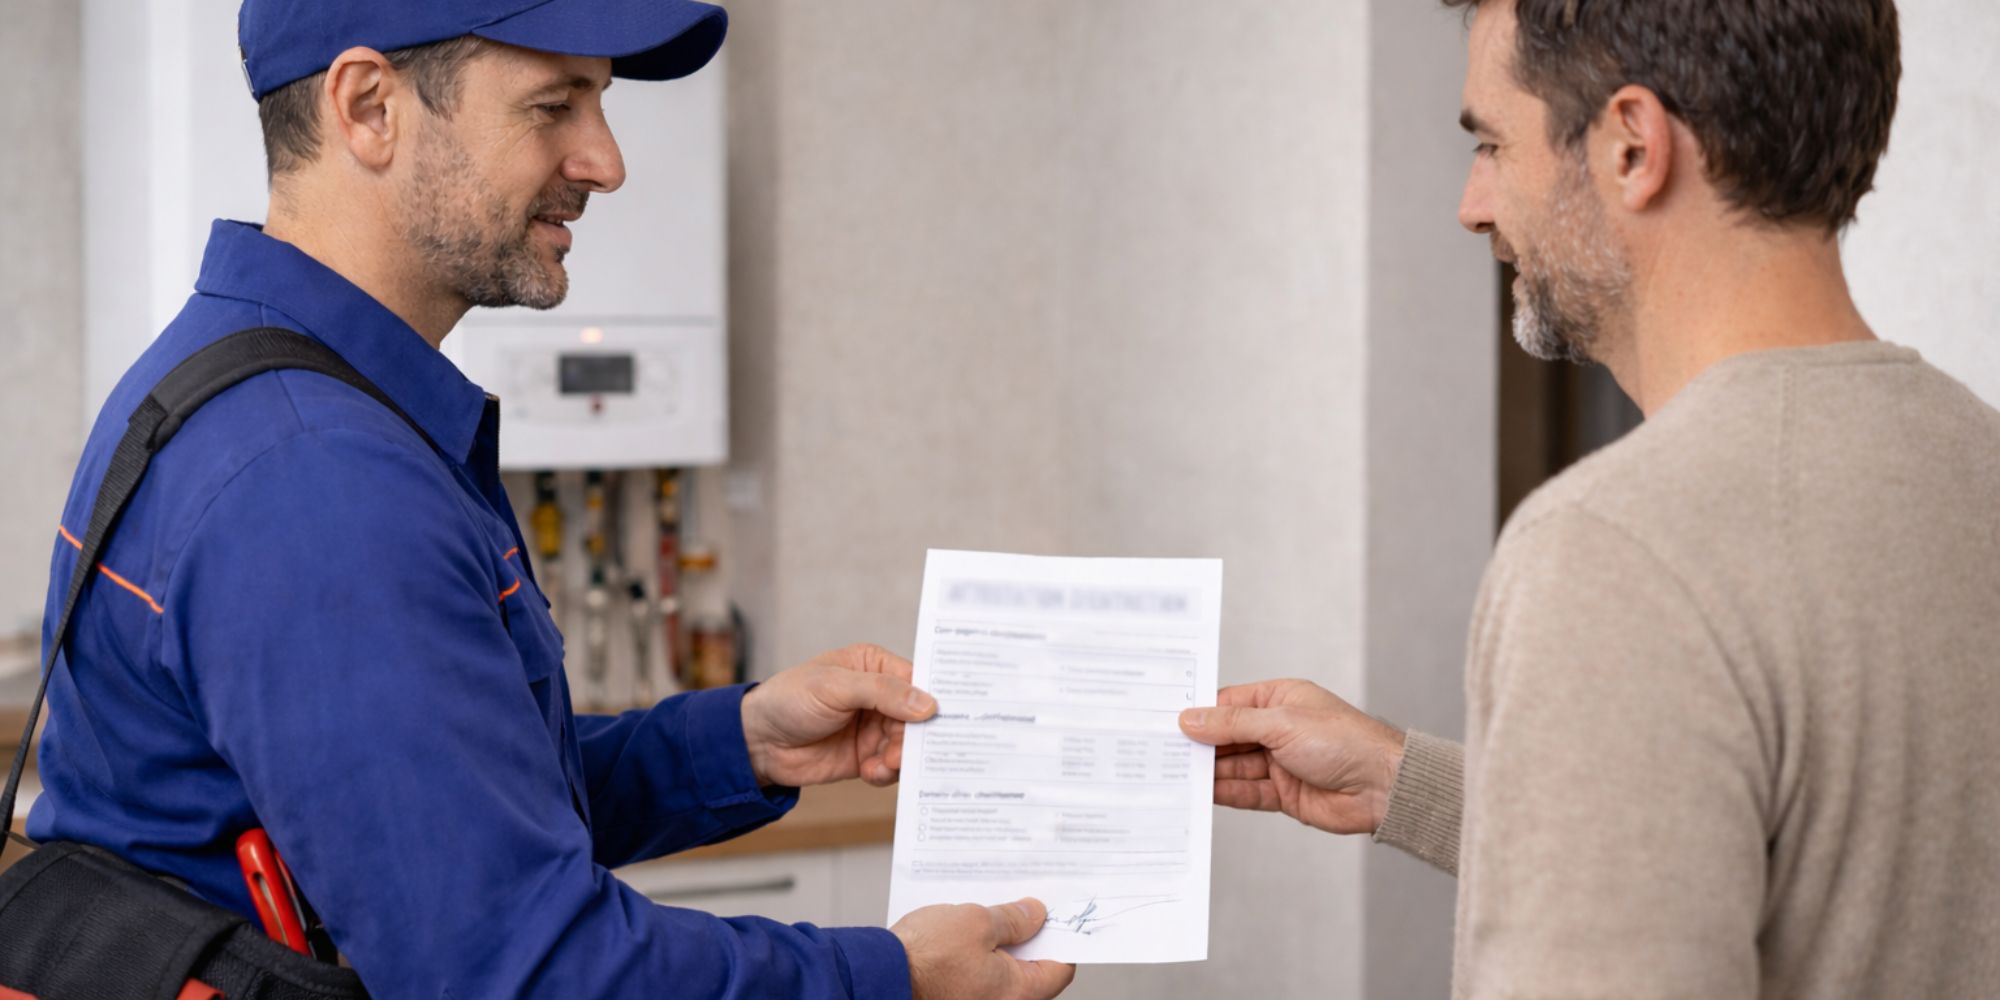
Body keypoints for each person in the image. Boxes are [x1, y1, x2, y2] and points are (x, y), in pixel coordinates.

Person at [27, 2, 1075, 998]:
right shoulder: (318, 482)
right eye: (552, 105)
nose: (605, 162)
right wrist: (890, 977)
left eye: (601, 102)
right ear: (367, 107)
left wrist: (742, 739)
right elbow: (524, 971)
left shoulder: (237, 384)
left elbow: (444, 813)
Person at [1180, 0, 2000, 996]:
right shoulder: (1972, 464)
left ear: (1627, 147)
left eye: (1489, 143)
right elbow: (1842, 856)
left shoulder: (1612, 549)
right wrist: (1406, 782)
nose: (1470, 204)